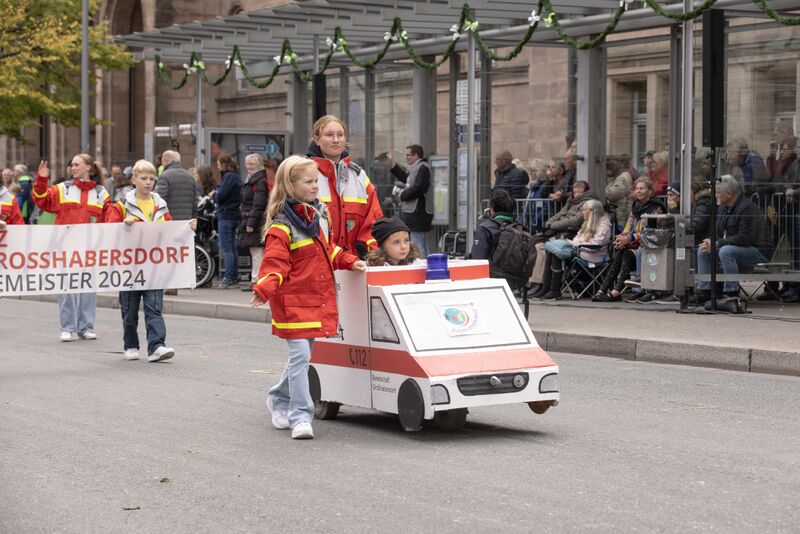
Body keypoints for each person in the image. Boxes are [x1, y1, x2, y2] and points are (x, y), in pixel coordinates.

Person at [249, 155, 366, 440]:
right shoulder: (281, 226)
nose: (315, 186)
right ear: (291, 185)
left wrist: (351, 261)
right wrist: (263, 289)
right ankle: (301, 416)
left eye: (316, 181)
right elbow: (275, 264)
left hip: (316, 299)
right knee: (301, 356)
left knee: (300, 358)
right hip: (292, 302)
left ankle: (278, 398)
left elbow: (328, 250)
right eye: (309, 182)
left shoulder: (318, 216)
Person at [105, 159, 197, 362]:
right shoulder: (121, 206)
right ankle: (130, 345)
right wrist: (123, 225)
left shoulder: (160, 205)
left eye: (151, 178)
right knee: (129, 310)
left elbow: (170, 231)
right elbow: (109, 232)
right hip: (129, 267)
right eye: (143, 178)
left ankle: (156, 346)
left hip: (154, 266)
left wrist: (187, 228)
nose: (148, 182)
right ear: (134, 180)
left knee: (154, 307)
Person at [33, 155, 111, 341]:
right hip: (65, 248)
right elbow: (41, 200)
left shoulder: (101, 193)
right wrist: (42, 179)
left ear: (88, 167)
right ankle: (67, 327)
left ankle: (86, 327)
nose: (72, 168)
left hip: (90, 249)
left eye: (76, 164)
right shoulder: (62, 189)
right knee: (66, 288)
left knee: (88, 288)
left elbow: (109, 218)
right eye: (71, 165)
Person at [306, 115, 383, 257]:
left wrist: (372, 257)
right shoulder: (303, 175)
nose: (336, 140)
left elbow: (374, 222)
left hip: (355, 264)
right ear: (317, 139)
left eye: (340, 135)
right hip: (319, 262)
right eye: (329, 135)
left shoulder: (359, 176)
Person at [695, 175, 769, 303]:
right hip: (733, 247)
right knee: (703, 249)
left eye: (718, 193)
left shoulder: (747, 208)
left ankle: (731, 292)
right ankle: (705, 291)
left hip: (757, 250)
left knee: (726, 251)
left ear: (729, 194)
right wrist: (711, 242)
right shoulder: (723, 208)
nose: (715, 196)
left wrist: (718, 243)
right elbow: (718, 232)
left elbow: (745, 238)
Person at [593, 178, 666, 302]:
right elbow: (628, 225)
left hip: (649, 246)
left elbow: (651, 232)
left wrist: (629, 238)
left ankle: (618, 291)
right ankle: (603, 290)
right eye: (637, 188)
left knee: (626, 254)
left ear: (649, 191)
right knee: (620, 252)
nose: (638, 191)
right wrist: (621, 238)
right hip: (635, 244)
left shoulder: (656, 208)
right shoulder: (636, 206)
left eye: (642, 188)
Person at [533, 199, 612, 300]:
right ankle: (546, 288)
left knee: (557, 254)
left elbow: (596, 244)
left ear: (593, 211)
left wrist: (575, 244)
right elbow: (577, 237)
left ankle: (554, 290)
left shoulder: (604, 225)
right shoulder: (587, 222)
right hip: (581, 251)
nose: (582, 212)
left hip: (593, 256)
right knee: (552, 251)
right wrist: (575, 243)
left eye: (585, 210)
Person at [388, 144, 434, 257]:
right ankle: (425, 264)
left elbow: (419, 188)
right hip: (415, 213)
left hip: (418, 213)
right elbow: (406, 178)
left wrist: (402, 195)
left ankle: (421, 264)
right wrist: (393, 165)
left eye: (409, 155)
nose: (406, 157)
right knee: (421, 243)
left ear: (416, 155)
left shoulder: (423, 168)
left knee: (417, 243)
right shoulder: (416, 168)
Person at [237, 154, 271, 287]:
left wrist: (251, 223)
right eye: (247, 164)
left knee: (257, 251)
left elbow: (258, 204)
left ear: (258, 165)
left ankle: (256, 281)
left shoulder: (258, 181)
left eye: (252, 164)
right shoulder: (253, 180)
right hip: (252, 219)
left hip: (255, 221)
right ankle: (256, 279)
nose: (249, 166)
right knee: (256, 251)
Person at [215, 153, 243, 288]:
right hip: (234, 214)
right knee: (232, 247)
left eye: (218, 164)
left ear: (223, 165)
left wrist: (215, 193)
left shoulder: (228, 177)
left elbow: (220, 196)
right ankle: (234, 276)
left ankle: (229, 277)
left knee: (227, 248)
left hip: (226, 215)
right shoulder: (236, 176)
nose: (217, 167)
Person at [471, 188, 516, 262]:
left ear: (492, 208)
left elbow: (478, 259)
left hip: (492, 269)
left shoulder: (484, 229)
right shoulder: (520, 229)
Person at [156, 150, 198, 222]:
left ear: (165, 160)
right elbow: (195, 202)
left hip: (170, 222)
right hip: (187, 221)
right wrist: (194, 219)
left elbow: (160, 201)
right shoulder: (190, 177)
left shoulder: (164, 176)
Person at [605, 156, 633, 230]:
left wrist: (603, 191)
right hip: (617, 213)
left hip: (622, 214)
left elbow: (612, 194)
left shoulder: (623, 177)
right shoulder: (616, 178)